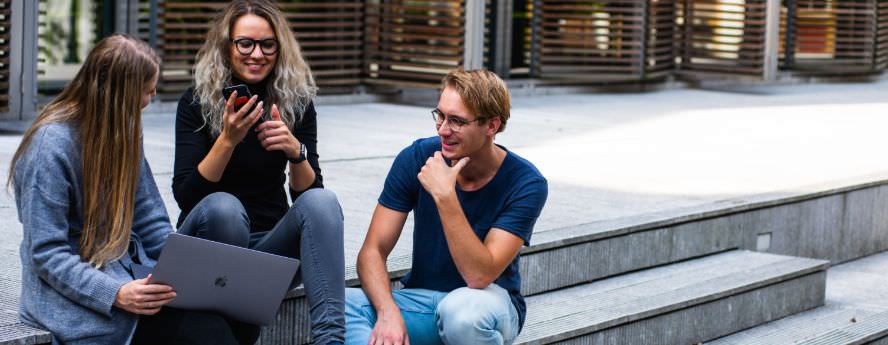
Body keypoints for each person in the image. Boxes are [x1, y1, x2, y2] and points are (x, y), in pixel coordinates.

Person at [172, 1, 345, 344]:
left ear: (280, 49)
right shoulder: (196, 102)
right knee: (224, 207)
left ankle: (330, 340)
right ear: (227, 47)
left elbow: (308, 197)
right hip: (209, 245)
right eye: (245, 43)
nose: (257, 54)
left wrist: (296, 153)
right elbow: (187, 197)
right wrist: (227, 140)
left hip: (269, 248)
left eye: (268, 44)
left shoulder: (295, 102)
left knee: (323, 202)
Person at [344, 69, 549, 345]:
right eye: (440, 115)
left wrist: (445, 196)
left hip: (486, 305)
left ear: (491, 126)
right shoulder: (417, 157)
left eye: (456, 121)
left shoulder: (526, 183)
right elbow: (372, 252)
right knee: (341, 303)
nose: (442, 129)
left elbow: (479, 275)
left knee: (462, 313)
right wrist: (388, 312)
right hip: (424, 301)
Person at [9, 34, 180, 344]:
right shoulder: (51, 146)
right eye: (147, 90)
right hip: (68, 292)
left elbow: (149, 218)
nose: (153, 96)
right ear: (119, 95)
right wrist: (114, 293)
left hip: (123, 270)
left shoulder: (125, 129)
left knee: (212, 322)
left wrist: (178, 270)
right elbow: (47, 253)